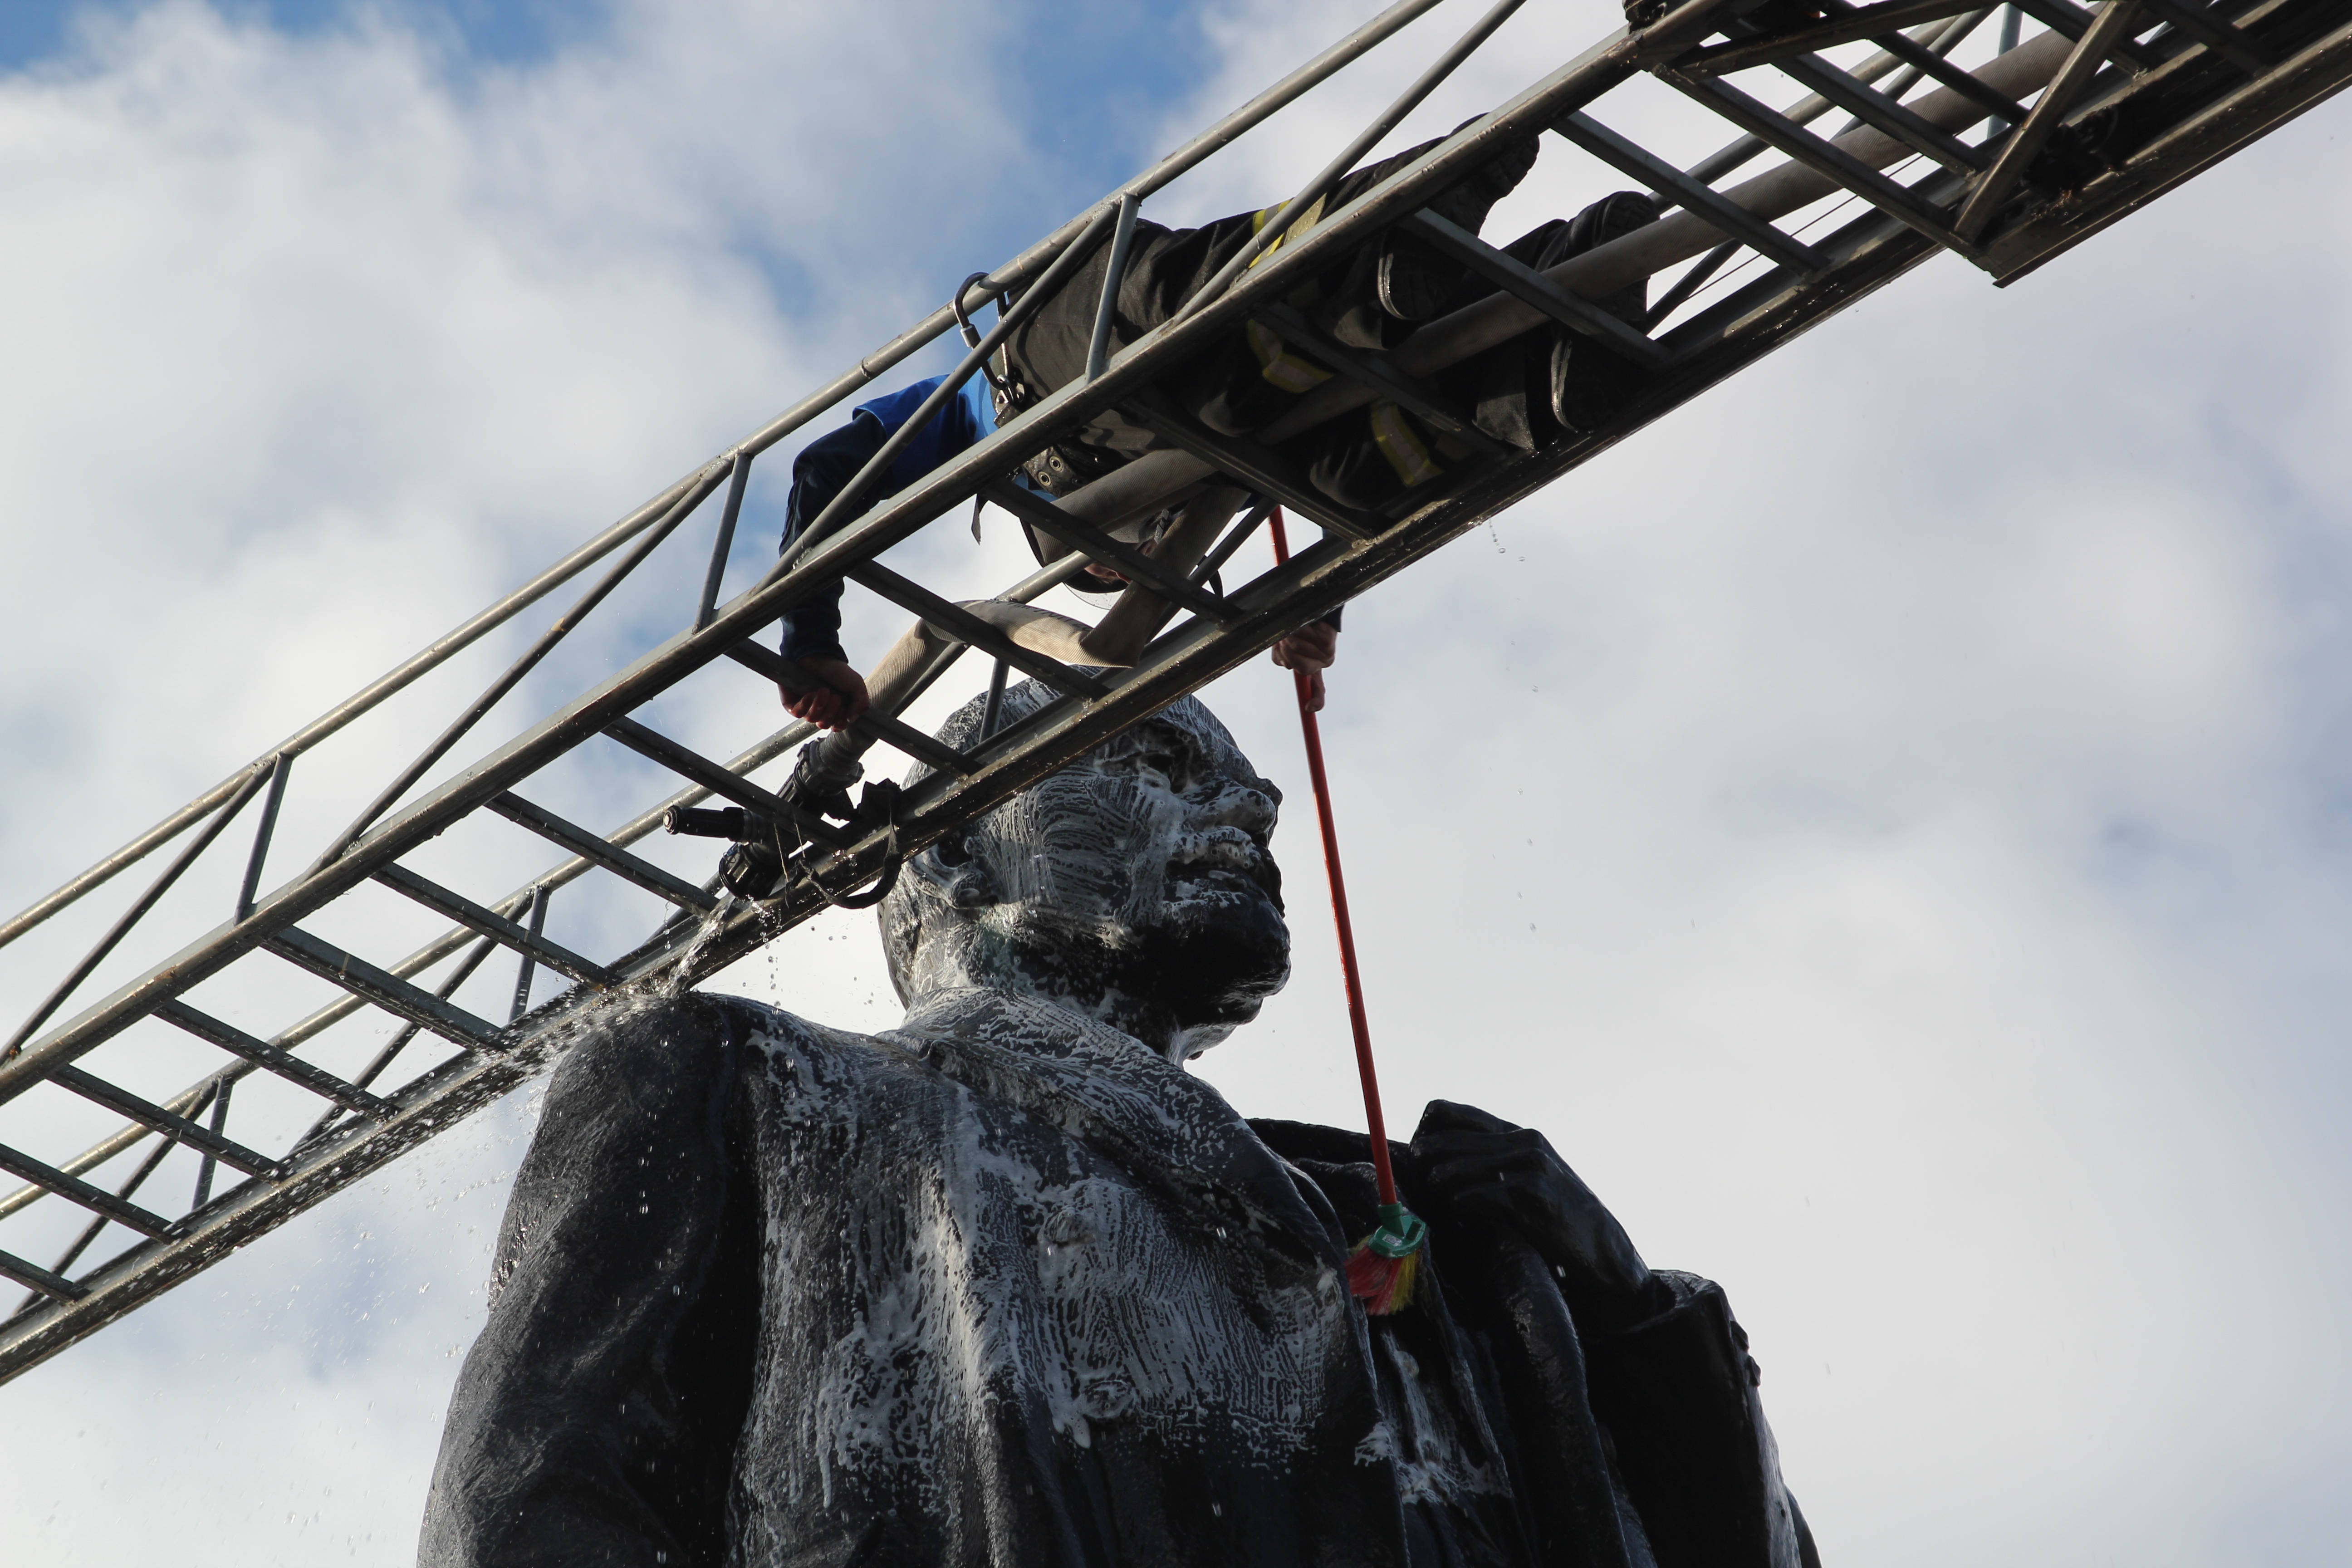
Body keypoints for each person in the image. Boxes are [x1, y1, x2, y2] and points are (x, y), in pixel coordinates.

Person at [419, 682, 1820, 1568]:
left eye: (1244, 783)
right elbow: (530, 1512)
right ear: (951, 847)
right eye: (1152, 755)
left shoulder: (1428, 1240)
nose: (1250, 804)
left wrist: (1630, 1319)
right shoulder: (751, 1089)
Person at [770, 133, 1660, 731]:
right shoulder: (1206, 479)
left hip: (1058, 353)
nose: (1123, 564)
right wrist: (1315, 609)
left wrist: (808, 641)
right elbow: (1307, 508)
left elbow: (830, 470)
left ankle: (1405, 208)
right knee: (1346, 476)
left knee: (1185, 304)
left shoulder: (974, 426)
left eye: (1106, 567)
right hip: (1225, 399)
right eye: (1120, 568)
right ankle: (1549, 344)